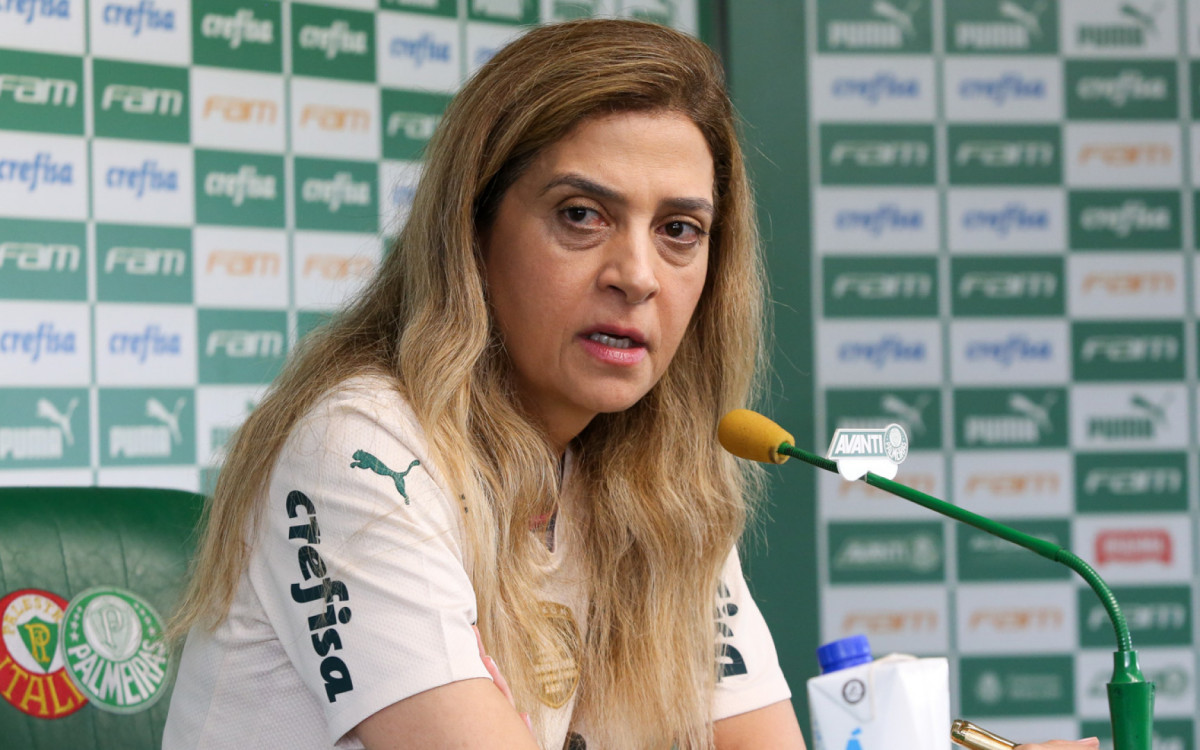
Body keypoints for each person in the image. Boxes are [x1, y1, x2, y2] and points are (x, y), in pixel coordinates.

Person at [161, 18, 1103, 750]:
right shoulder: (362, 450)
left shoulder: (659, 485)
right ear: (472, 234)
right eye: (582, 215)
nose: (637, 274)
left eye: (680, 231)